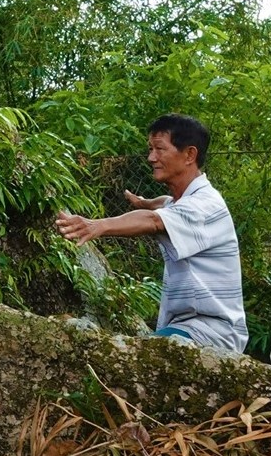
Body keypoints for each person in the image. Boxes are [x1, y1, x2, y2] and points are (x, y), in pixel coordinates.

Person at [55, 113, 247, 352]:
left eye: (159, 149)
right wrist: (146, 202)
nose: (151, 157)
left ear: (189, 155)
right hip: (189, 327)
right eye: (150, 149)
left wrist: (97, 225)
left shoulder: (205, 206)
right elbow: (165, 204)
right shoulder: (183, 201)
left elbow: (155, 222)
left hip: (211, 331)